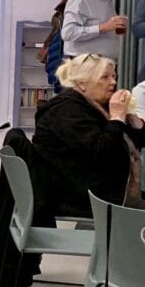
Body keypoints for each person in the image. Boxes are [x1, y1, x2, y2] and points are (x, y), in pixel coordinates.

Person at [31, 53, 145, 214]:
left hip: (95, 189)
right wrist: (117, 118)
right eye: (105, 77)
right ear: (82, 84)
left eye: (114, 76)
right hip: (77, 197)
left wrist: (132, 120)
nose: (113, 82)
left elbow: (134, 142)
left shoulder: (94, 106)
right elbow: (105, 153)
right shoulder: (67, 110)